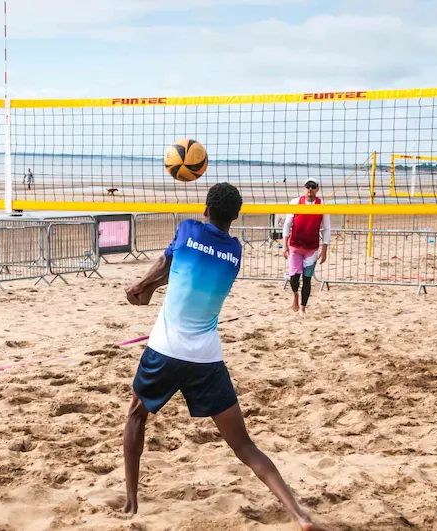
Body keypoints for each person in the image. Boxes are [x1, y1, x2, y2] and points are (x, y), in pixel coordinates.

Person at [123, 183, 329, 530]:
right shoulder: (235, 251)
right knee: (245, 445)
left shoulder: (188, 229)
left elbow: (167, 262)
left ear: (205, 209)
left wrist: (142, 287)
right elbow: (177, 266)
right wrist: (148, 287)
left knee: (136, 416)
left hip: (165, 351)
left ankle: (130, 502)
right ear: (235, 217)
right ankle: (298, 514)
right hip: (207, 359)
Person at [282, 180, 331, 313]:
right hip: (295, 246)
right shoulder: (295, 202)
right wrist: (284, 245)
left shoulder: (322, 205)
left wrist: (325, 250)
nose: (310, 189)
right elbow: (287, 224)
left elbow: (327, 229)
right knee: (294, 278)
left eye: (313, 187)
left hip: (312, 248)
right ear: (304, 188)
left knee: (307, 279)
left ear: (317, 189)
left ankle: (303, 308)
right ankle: (295, 296)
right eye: (308, 187)